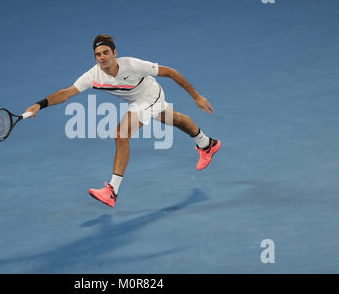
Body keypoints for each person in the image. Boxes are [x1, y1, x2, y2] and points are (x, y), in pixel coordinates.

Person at [25, 34, 221, 208]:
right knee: (174, 120)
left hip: (150, 94)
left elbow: (170, 72)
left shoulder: (132, 65)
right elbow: (66, 93)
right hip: (138, 100)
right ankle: (207, 144)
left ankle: (112, 191)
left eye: (105, 52)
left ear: (114, 53)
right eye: (98, 54)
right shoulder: (93, 75)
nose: (102, 57)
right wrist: (39, 105)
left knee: (121, 134)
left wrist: (196, 96)